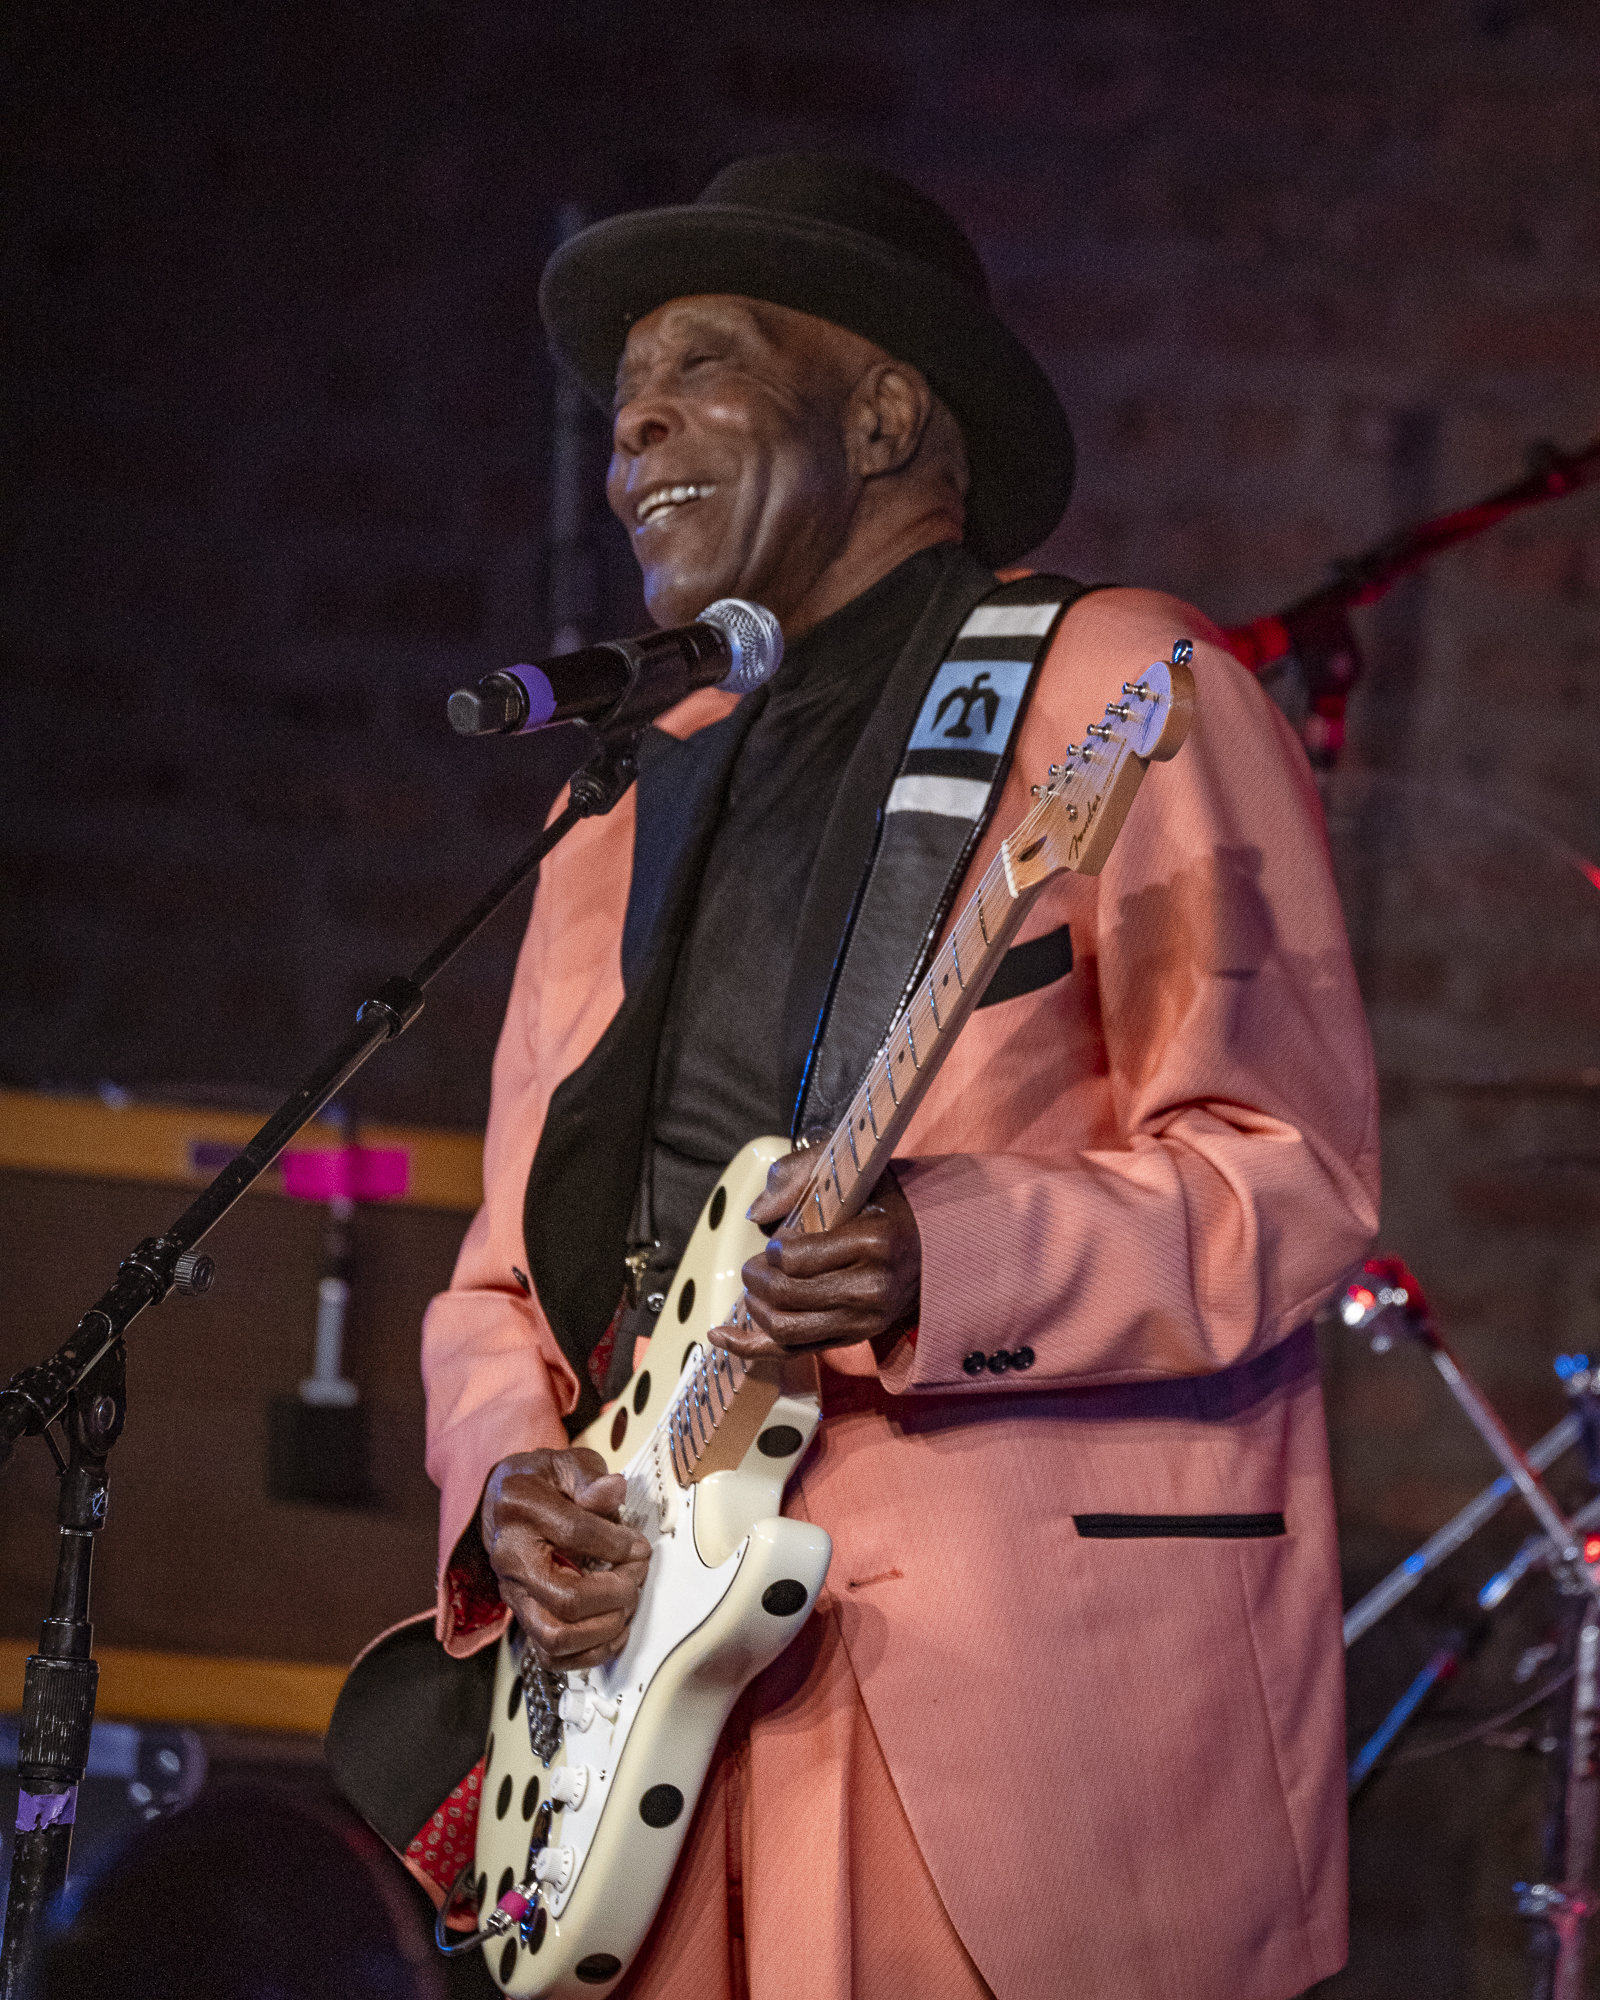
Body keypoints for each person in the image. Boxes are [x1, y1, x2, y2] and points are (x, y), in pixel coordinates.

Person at [411, 155, 1379, 1999]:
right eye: (623, 398)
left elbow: (1292, 1168)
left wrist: (957, 1255)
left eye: (698, 363)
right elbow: (494, 1282)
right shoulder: (619, 792)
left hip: (1008, 1707)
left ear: (882, 409)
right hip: (639, 1711)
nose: (633, 426)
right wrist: (511, 1489)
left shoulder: (1118, 682)